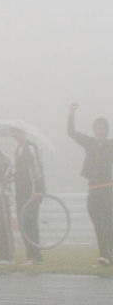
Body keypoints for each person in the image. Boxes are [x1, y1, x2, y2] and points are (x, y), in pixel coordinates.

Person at [68, 103, 113, 266]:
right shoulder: (90, 142)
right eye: (97, 128)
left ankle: (105, 257)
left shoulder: (110, 144)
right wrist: (71, 113)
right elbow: (71, 133)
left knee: (106, 223)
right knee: (98, 222)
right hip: (93, 189)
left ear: (106, 131)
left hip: (107, 189)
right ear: (94, 130)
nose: (100, 131)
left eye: (103, 128)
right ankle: (106, 254)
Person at [10, 126, 44, 265]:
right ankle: (30, 254)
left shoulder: (31, 147)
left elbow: (37, 169)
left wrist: (39, 190)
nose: (15, 135)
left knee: (31, 224)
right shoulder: (17, 150)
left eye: (17, 132)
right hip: (20, 192)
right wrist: (12, 176)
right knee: (23, 223)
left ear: (23, 133)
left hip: (31, 191)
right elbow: (19, 171)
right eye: (13, 132)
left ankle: (36, 256)